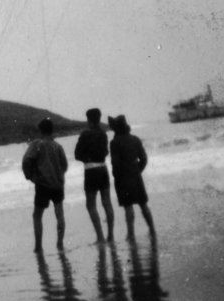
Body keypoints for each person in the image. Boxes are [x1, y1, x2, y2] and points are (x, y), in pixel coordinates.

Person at [22, 117, 68, 252]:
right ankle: (60, 244)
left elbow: (26, 161)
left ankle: (38, 247)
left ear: (40, 131)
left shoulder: (37, 144)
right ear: (52, 131)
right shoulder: (58, 146)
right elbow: (64, 165)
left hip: (42, 185)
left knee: (37, 216)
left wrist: (30, 177)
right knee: (59, 214)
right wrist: (59, 175)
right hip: (58, 185)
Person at [108, 114, 155, 239]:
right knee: (143, 204)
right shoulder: (135, 139)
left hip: (123, 178)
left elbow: (115, 163)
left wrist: (116, 176)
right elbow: (144, 159)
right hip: (136, 176)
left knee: (128, 207)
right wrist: (138, 170)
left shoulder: (114, 142)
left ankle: (130, 234)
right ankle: (152, 229)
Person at [74, 107, 114, 243]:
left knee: (91, 205)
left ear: (88, 119)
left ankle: (100, 237)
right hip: (103, 169)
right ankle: (110, 235)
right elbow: (106, 152)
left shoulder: (85, 134)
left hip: (91, 170)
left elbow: (77, 154)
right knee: (107, 203)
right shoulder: (103, 134)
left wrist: (87, 158)